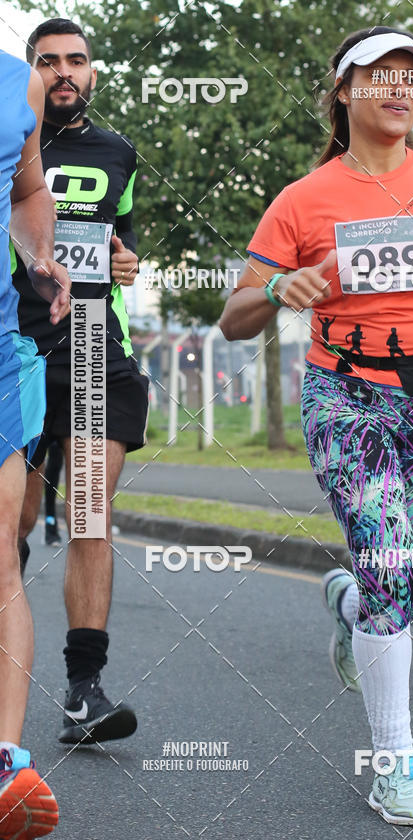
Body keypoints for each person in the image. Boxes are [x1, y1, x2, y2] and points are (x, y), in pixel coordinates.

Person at [219, 27, 413, 826]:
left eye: (410, 77)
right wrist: (280, 287)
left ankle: (351, 602)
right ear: (343, 91)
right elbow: (233, 316)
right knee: (392, 563)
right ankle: (396, 767)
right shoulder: (304, 198)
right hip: (345, 397)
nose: (400, 89)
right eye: (380, 75)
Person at [13, 18, 148, 745]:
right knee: (14, 524)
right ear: (30, 73)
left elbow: (125, 241)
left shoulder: (118, 151)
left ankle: (83, 693)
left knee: (91, 512)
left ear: (93, 72)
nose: (63, 72)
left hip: (95, 345)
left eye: (76, 60)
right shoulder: (9, 139)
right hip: (16, 347)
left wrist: (127, 263)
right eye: (48, 61)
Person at [0, 47, 70, 839]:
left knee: (1, 561)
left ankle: (6, 763)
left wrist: (39, 256)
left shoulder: (15, 79)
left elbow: (26, 190)